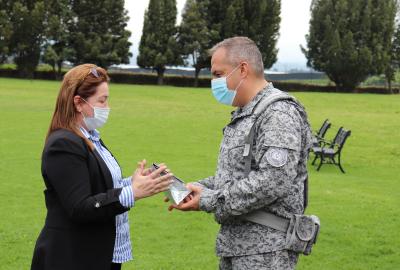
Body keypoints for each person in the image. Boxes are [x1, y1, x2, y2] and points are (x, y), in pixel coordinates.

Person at [169, 37, 313, 269]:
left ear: (243, 69)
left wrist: (209, 199)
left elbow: (273, 180)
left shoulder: (278, 113)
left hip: (267, 251)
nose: (213, 81)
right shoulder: (248, 112)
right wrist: (199, 187)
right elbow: (237, 176)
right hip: (238, 246)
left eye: (218, 74)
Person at [31, 64, 173, 270]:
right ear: (79, 103)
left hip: (101, 254)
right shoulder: (63, 144)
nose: (107, 107)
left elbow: (100, 186)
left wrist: (135, 182)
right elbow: (80, 207)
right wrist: (132, 193)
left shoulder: (90, 138)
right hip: (72, 257)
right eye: (102, 100)